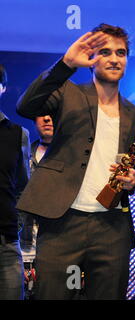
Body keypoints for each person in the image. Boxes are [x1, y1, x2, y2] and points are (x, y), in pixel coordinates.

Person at [16, 23, 135, 300]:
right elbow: (25, 106)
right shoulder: (69, 92)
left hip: (113, 227)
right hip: (63, 221)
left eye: (120, 52)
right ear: (92, 59)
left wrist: (133, 180)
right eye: (105, 52)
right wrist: (65, 64)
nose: (113, 58)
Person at [0, 63, 30, 300]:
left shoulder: (18, 134)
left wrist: (16, 221)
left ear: (2, 88)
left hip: (7, 243)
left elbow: (23, 187)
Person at [19, 115, 54, 299]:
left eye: (52, 113)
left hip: (62, 249)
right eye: (42, 114)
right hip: (24, 251)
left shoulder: (77, 158)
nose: (47, 118)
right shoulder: (22, 154)